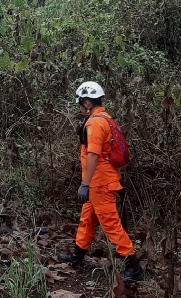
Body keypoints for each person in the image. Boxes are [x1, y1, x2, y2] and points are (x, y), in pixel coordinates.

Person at [57, 81, 144, 283]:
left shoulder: (96, 123)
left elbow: (94, 155)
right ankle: (77, 257)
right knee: (87, 220)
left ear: (87, 103)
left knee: (111, 225)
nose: (79, 108)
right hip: (98, 181)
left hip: (100, 183)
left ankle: (134, 266)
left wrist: (85, 184)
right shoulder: (104, 118)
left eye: (80, 104)